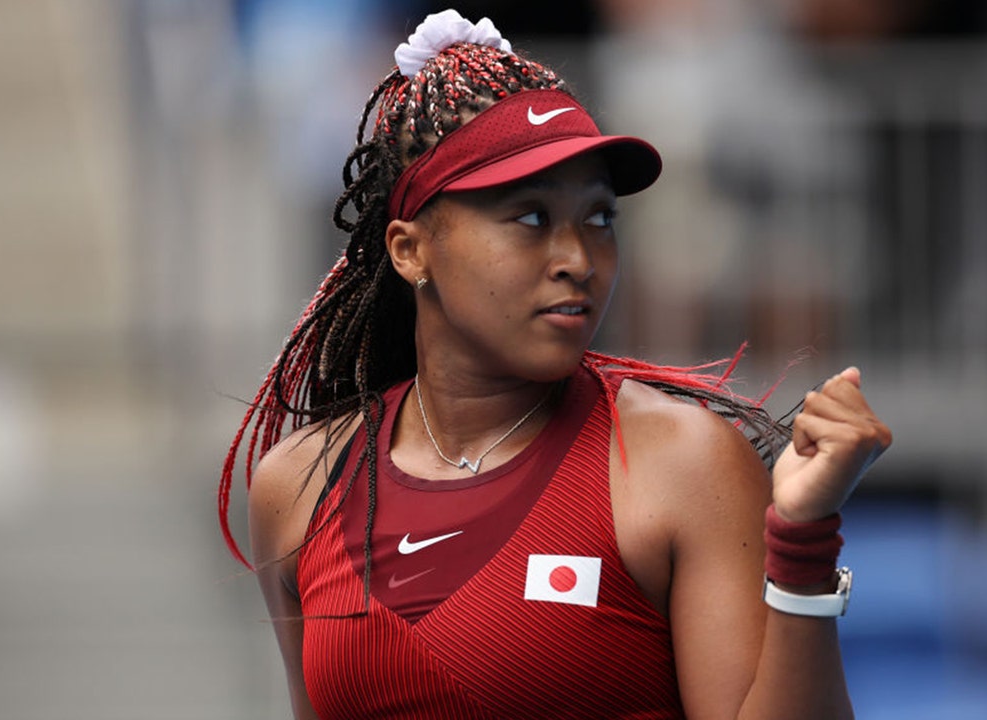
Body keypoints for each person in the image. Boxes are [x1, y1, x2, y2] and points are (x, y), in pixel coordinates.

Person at [219, 9, 891, 719]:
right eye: (532, 218)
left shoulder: (681, 463)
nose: (577, 259)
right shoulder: (299, 487)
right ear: (410, 250)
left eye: (599, 219)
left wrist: (803, 539)